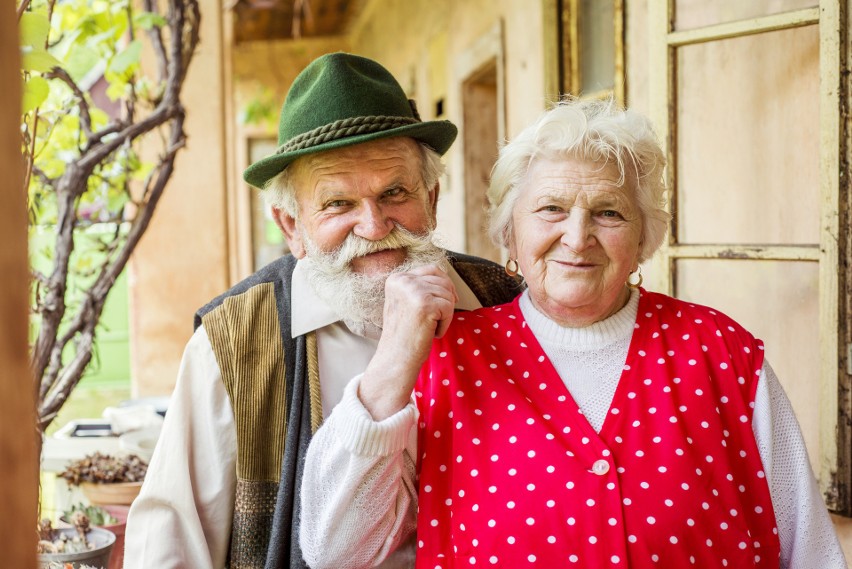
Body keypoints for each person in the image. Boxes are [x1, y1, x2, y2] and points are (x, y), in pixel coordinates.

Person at [299, 98, 848, 568]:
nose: (577, 237)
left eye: (608, 212)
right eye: (551, 209)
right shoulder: (447, 358)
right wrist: (393, 361)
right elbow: (338, 552)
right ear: (509, 232)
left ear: (644, 238)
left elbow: (810, 549)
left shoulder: (721, 354)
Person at [123, 52, 521, 569]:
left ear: (433, 197)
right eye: (338, 204)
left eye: (395, 192)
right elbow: (170, 543)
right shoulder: (236, 342)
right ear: (292, 226)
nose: (375, 226)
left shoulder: (500, 300)